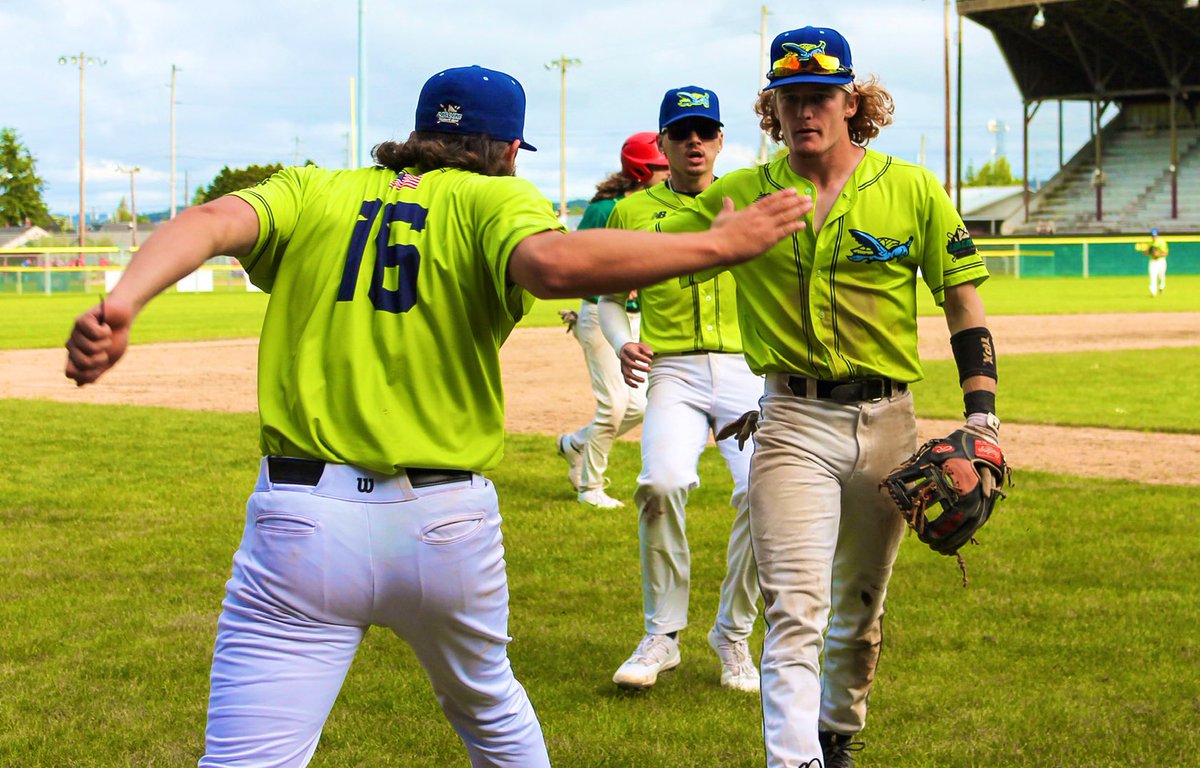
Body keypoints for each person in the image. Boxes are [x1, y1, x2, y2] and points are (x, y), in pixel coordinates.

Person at [63, 64, 809, 768]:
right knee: (490, 710)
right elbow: (550, 268)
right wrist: (718, 243)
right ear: (507, 147)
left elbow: (212, 220)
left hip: (299, 521)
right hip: (444, 521)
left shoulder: (315, 187)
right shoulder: (497, 198)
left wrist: (125, 300)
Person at [656, 28, 999, 768]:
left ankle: (836, 732)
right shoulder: (740, 194)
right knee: (795, 610)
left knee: (861, 610)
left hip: (890, 422)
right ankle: (795, 760)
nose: (804, 109)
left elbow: (963, 304)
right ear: (771, 108)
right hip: (791, 419)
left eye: (820, 95)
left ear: (852, 102)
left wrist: (982, 413)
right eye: (789, 97)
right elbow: (652, 240)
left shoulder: (910, 188)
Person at [599, 86, 762, 693]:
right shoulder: (632, 212)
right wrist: (621, 342)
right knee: (660, 484)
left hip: (748, 371)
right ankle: (662, 635)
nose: (695, 141)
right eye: (682, 131)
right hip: (674, 370)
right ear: (663, 142)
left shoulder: (751, 199)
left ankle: (733, 634)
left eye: (706, 131)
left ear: (721, 140)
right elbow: (609, 299)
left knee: (761, 495)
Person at [556, 133, 669, 508]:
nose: (668, 170)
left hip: (634, 321)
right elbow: (575, 259)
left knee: (638, 406)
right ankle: (591, 488)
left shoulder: (655, 207)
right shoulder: (605, 209)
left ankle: (576, 444)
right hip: (598, 316)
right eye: (661, 165)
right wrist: (617, 279)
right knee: (614, 406)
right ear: (641, 170)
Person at [1136, 227, 1168, 296]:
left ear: (1158, 235)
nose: (1154, 237)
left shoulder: (1161, 242)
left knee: (1161, 276)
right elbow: (1145, 252)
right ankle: (1153, 292)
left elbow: (1165, 252)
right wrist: (1147, 252)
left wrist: (1158, 253)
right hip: (1153, 261)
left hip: (1161, 261)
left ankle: (1161, 287)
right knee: (1153, 277)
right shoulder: (1149, 243)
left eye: (1155, 235)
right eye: (1153, 235)